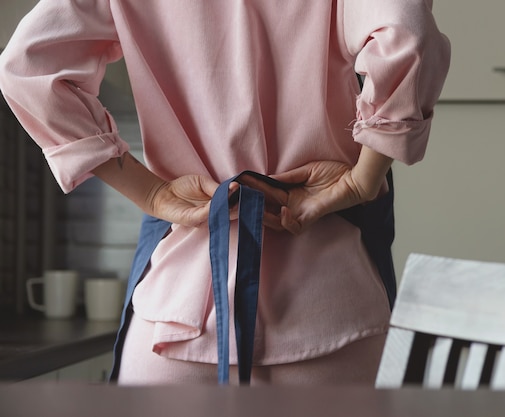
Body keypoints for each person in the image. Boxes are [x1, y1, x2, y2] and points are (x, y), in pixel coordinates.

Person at [0, 0, 450, 385]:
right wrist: (361, 177)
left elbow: (28, 65)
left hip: (172, 323)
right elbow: (408, 36)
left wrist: (154, 194)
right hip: (333, 314)